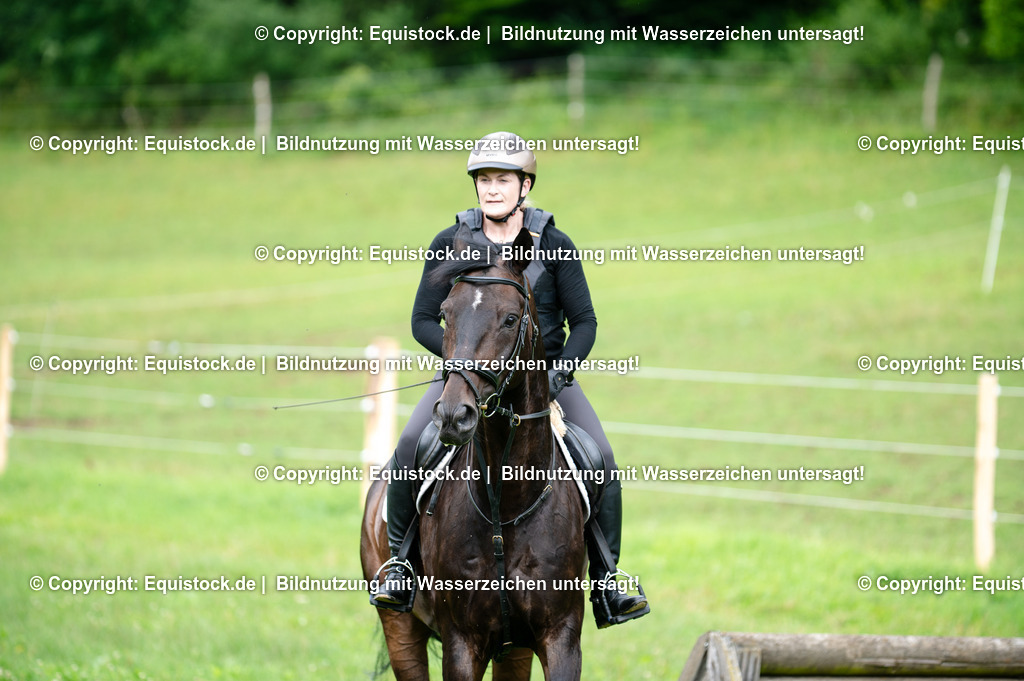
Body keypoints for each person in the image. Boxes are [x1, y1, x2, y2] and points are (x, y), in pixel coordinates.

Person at [370, 131, 649, 628]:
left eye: (502, 179)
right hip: (467, 377)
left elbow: (584, 322)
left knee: (601, 457)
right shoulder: (451, 242)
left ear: (524, 185)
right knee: (411, 444)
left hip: (545, 382)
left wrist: (562, 369)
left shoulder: (555, 244)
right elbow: (421, 321)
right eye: (483, 180)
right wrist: (464, 364)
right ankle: (399, 566)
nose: (491, 189)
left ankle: (608, 581)